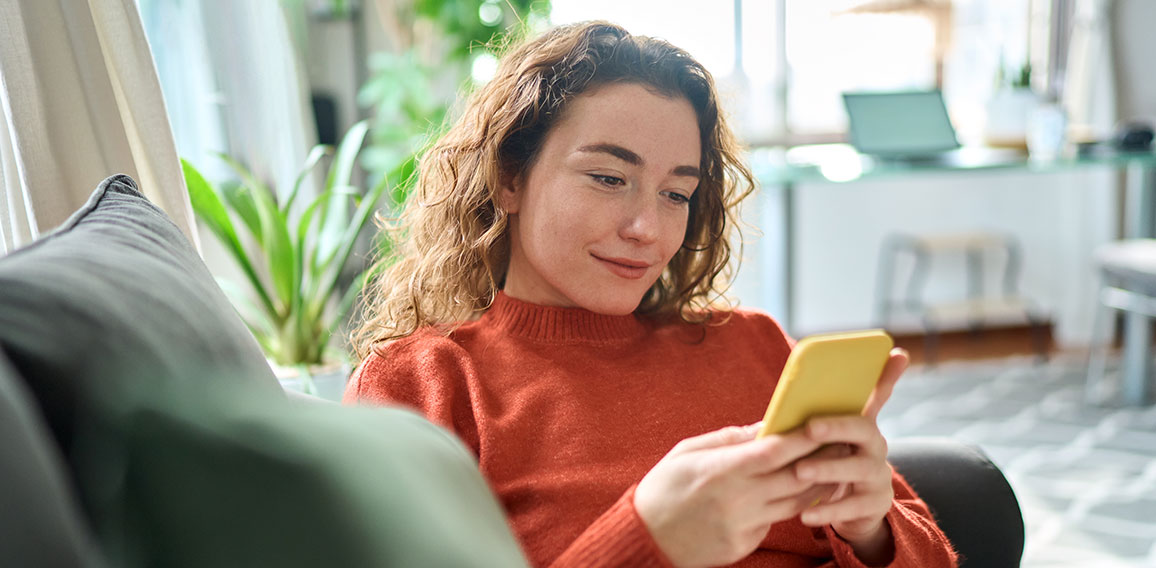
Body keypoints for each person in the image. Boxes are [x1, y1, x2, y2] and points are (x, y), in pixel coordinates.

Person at [345, 21, 957, 568]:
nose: (648, 229)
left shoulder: (755, 344)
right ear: (509, 176)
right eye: (610, 179)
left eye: (676, 194)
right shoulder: (425, 385)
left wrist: (873, 531)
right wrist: (647, 540)